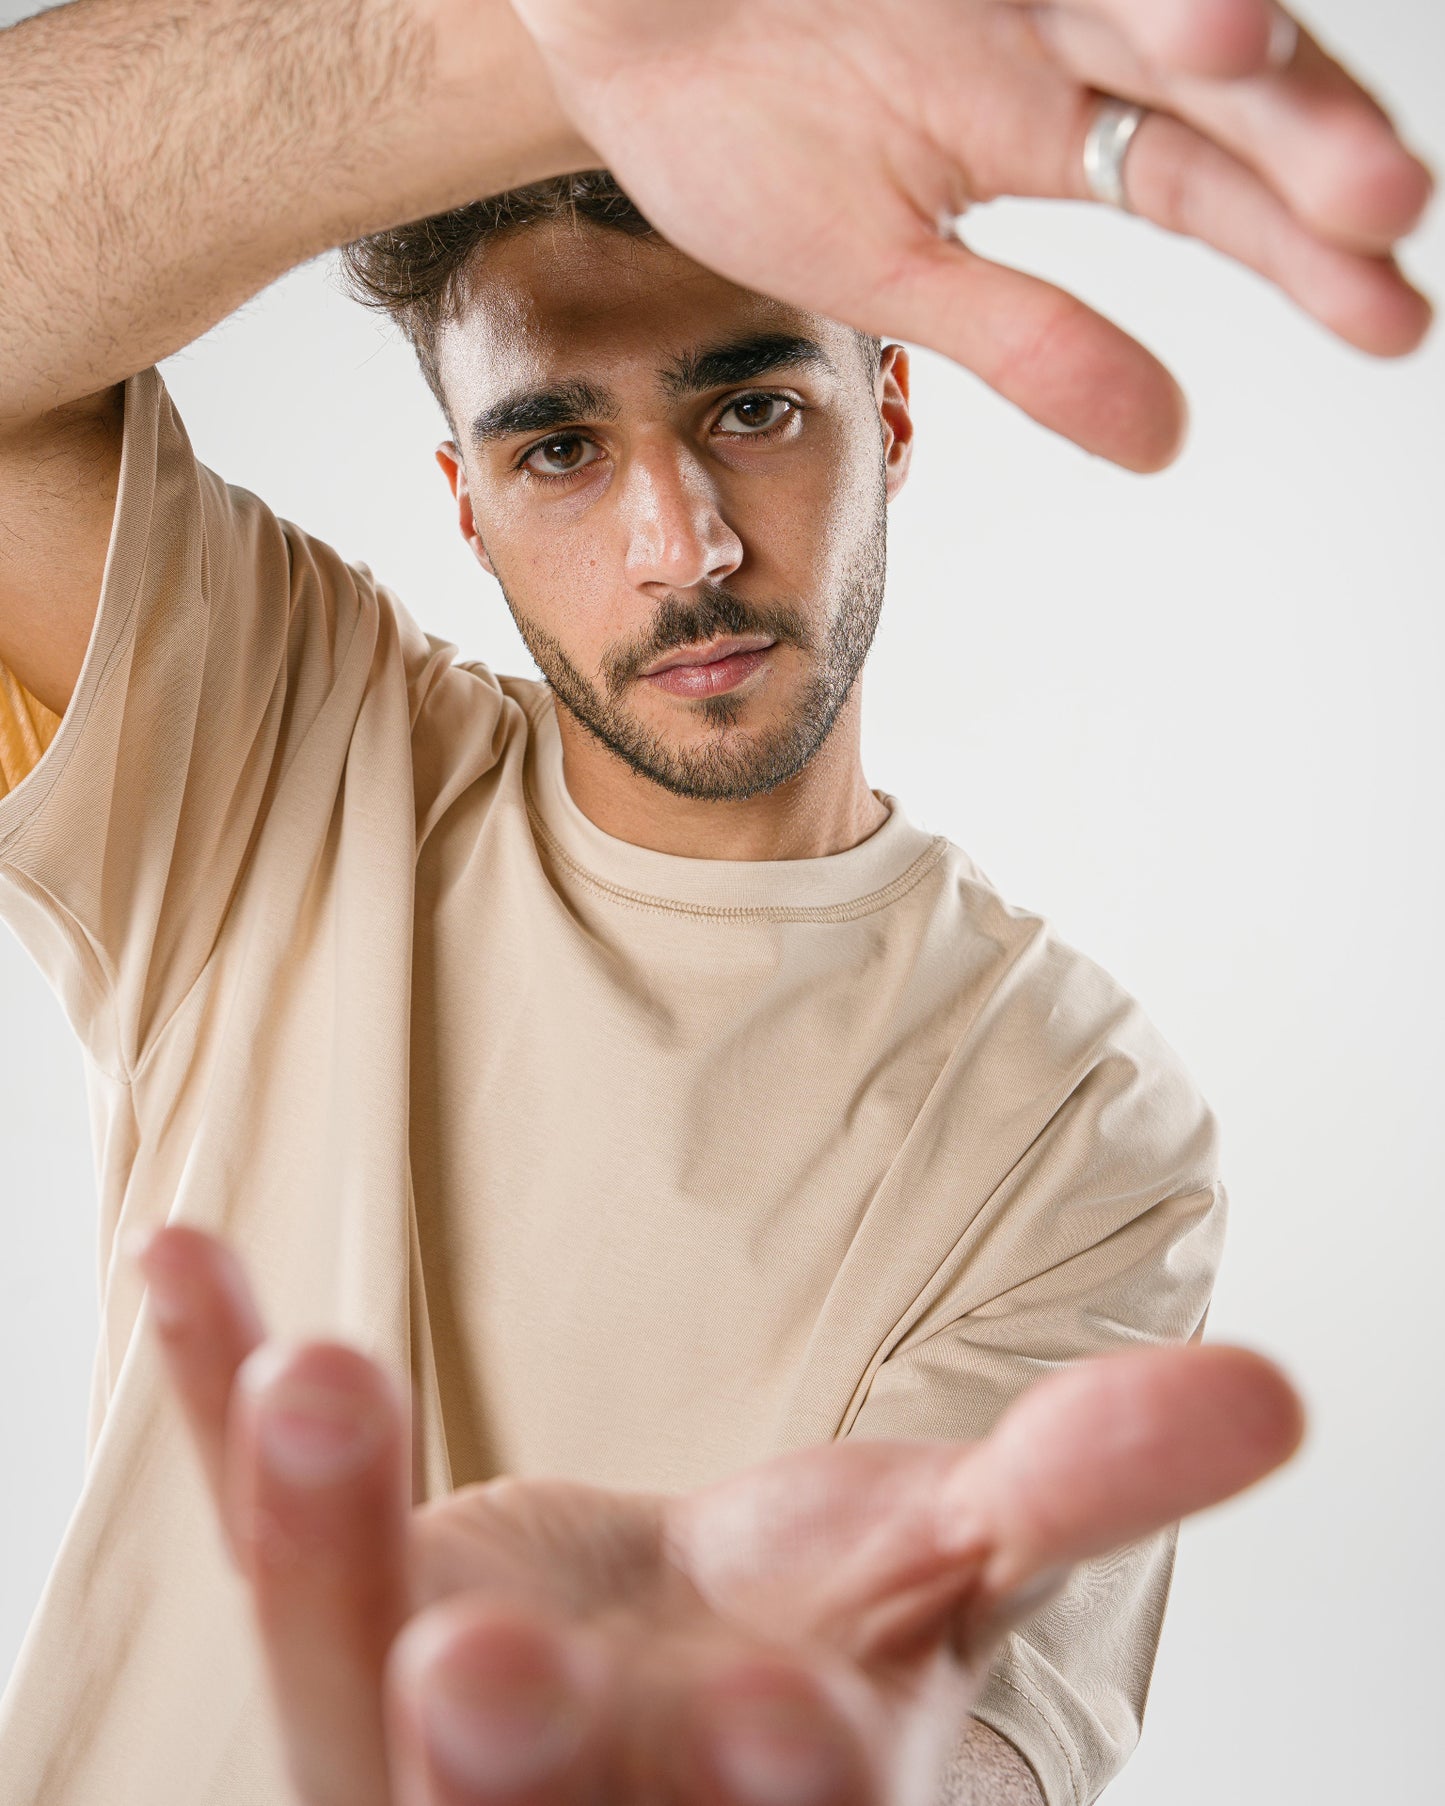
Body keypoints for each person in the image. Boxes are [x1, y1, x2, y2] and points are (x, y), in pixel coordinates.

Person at [0, 0, 1430, 1802]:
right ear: (465, 501)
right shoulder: (282, 761)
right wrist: (550, 49)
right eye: (559, 450)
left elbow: (958, 1717)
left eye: (751, 406)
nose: (684, 548)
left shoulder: (1080, 1120)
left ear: (887, 409)